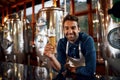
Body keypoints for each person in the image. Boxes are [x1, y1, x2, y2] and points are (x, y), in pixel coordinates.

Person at [44, 14, 96, 80]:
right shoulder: (62, 43)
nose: (70, 32)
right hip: (72, 76)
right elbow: (60, 69)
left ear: (78, 29)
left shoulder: (87, 40)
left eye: (73, 27)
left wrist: (73, 69)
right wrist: (52, 57)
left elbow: (90, 70)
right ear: (64, 30)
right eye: (66, 28)